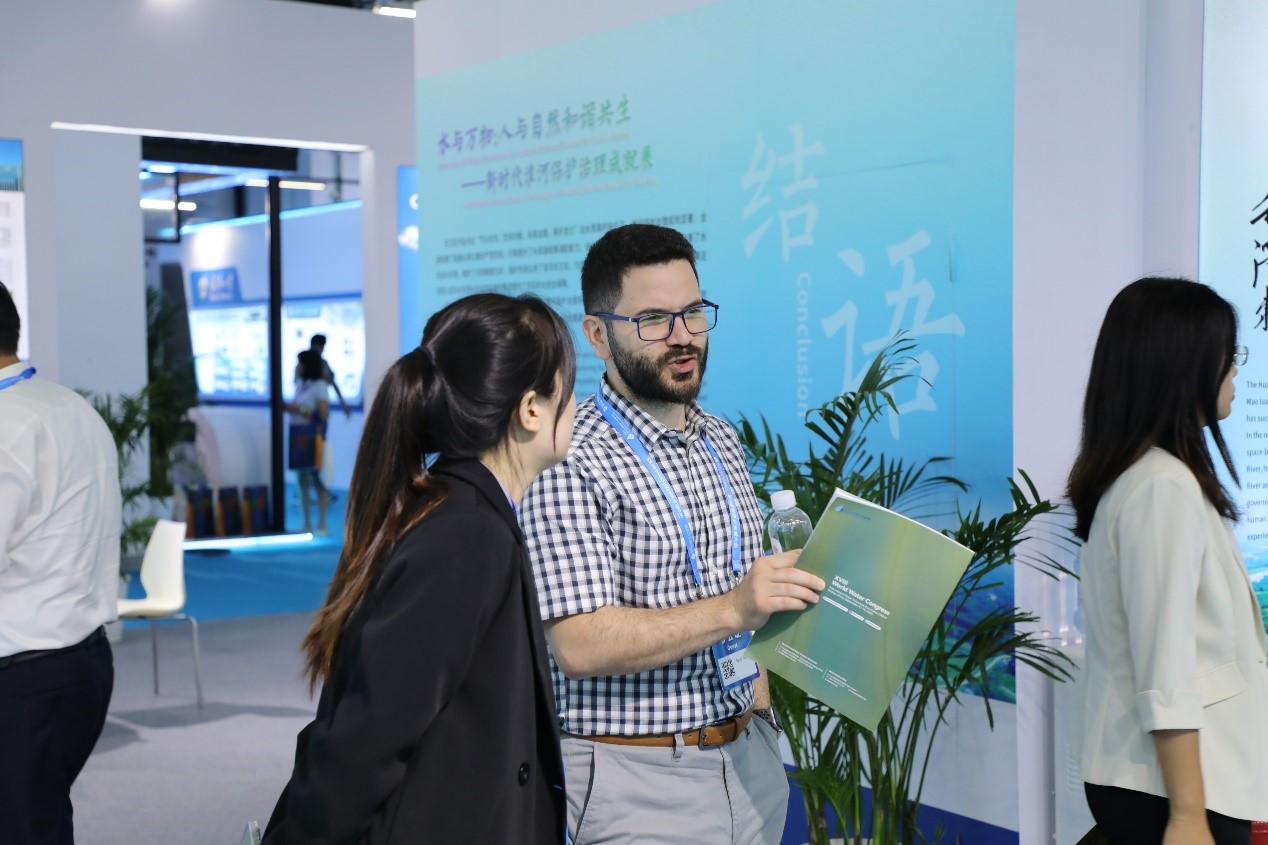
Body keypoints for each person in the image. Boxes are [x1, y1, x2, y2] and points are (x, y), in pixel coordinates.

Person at [520, 224, 825, 845]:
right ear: (598, 336)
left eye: (693, 313)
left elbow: (741, 595)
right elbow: (579, 644)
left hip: (750, 763)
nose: (682, 336)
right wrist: (734, 608)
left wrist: (761, 693)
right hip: (637, 780)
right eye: (654, 320)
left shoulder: (721, 439)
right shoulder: (570, 456)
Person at [264, 292, 575, 844]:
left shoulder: (459, 513)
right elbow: (367, 739)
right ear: (531, 409)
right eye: (569, 389)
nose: (577, 405)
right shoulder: (466, 535)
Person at [1067, 277, 1268, 844]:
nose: (1235, 369)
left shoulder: (1147, 476)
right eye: (1227, 354)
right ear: (1183, 367)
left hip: (1168, 779)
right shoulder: (1161, 486)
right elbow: (1166, 664)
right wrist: (1187, 814)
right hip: (1176, 787)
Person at [0, 280, 122, 845]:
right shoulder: (68, 406)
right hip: (79, 663)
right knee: (41, 823)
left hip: (22, 674)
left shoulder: (6, 427)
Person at [285, 350, 331, 536]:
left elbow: (323, 415)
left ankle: (322, 524)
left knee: (315, 479)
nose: (297, 367)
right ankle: (306, 523)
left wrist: (300, 409)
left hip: (311, 437)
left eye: (300, 363)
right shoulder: (300, 384)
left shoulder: (320, 386)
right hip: (297, 435)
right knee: (301, 479)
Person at [297, 334, 351, 419]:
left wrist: (343, 404)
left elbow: (332, 382)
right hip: (302, 409)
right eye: (321, 347)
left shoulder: (323, 365)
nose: (322, 350)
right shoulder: (302, 362)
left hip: (317, 408)